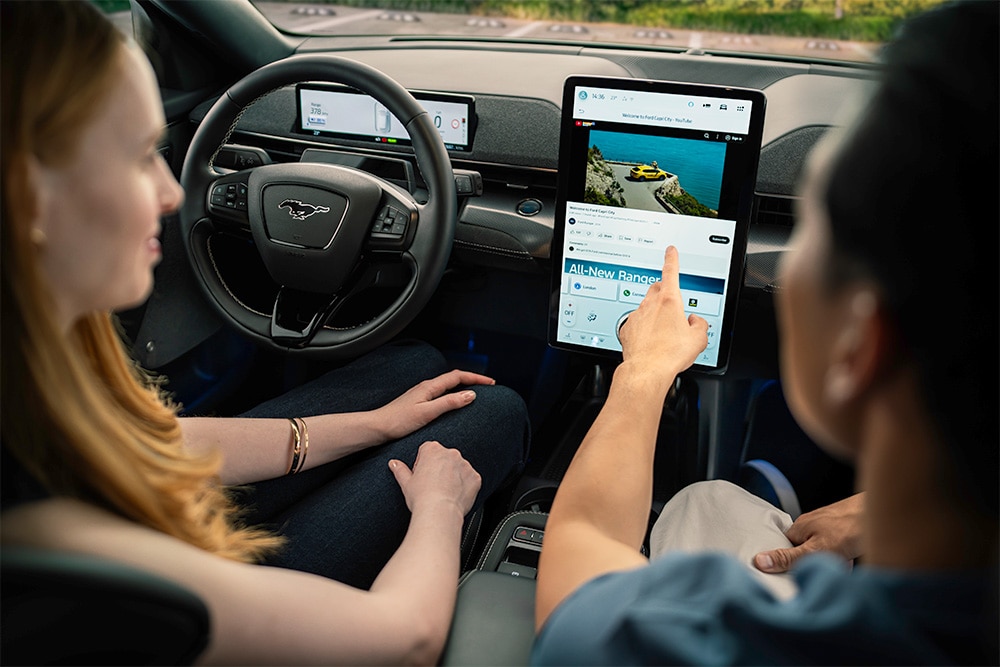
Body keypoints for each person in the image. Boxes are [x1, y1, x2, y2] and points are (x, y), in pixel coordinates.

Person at [0, 1, 528, 663]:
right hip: (211, 601)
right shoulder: (64, 554)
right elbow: (408, 636)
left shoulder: (27, 394)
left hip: (169, 543)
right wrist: (441, 506)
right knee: (495, 408)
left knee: (412, 368)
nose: (170, 193)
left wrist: (374, 424)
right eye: (140, 156)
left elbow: (152, 440)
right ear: (28, 194)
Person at [533, 1, 998, 664]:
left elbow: (579, 555)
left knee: (706, 499)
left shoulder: (703, 639)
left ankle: (762, 478)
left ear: (860, 349)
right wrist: (872, 510)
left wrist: (644, 370)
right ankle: (770, 474)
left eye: (810, 219)